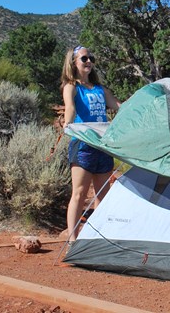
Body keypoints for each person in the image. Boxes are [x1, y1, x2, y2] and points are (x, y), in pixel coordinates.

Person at [60, 45, 121, 243]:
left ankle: (97, 239)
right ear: (74, 63)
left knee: (103, 194)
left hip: (102, 145)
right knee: (79, 193)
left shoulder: (100, 89)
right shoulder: (72, 87)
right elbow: (69, 107)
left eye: (91, 58)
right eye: (84, 58)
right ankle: (72, 239)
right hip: (83, 145)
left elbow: (117, 105)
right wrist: (67, 123)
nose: (89, 62)